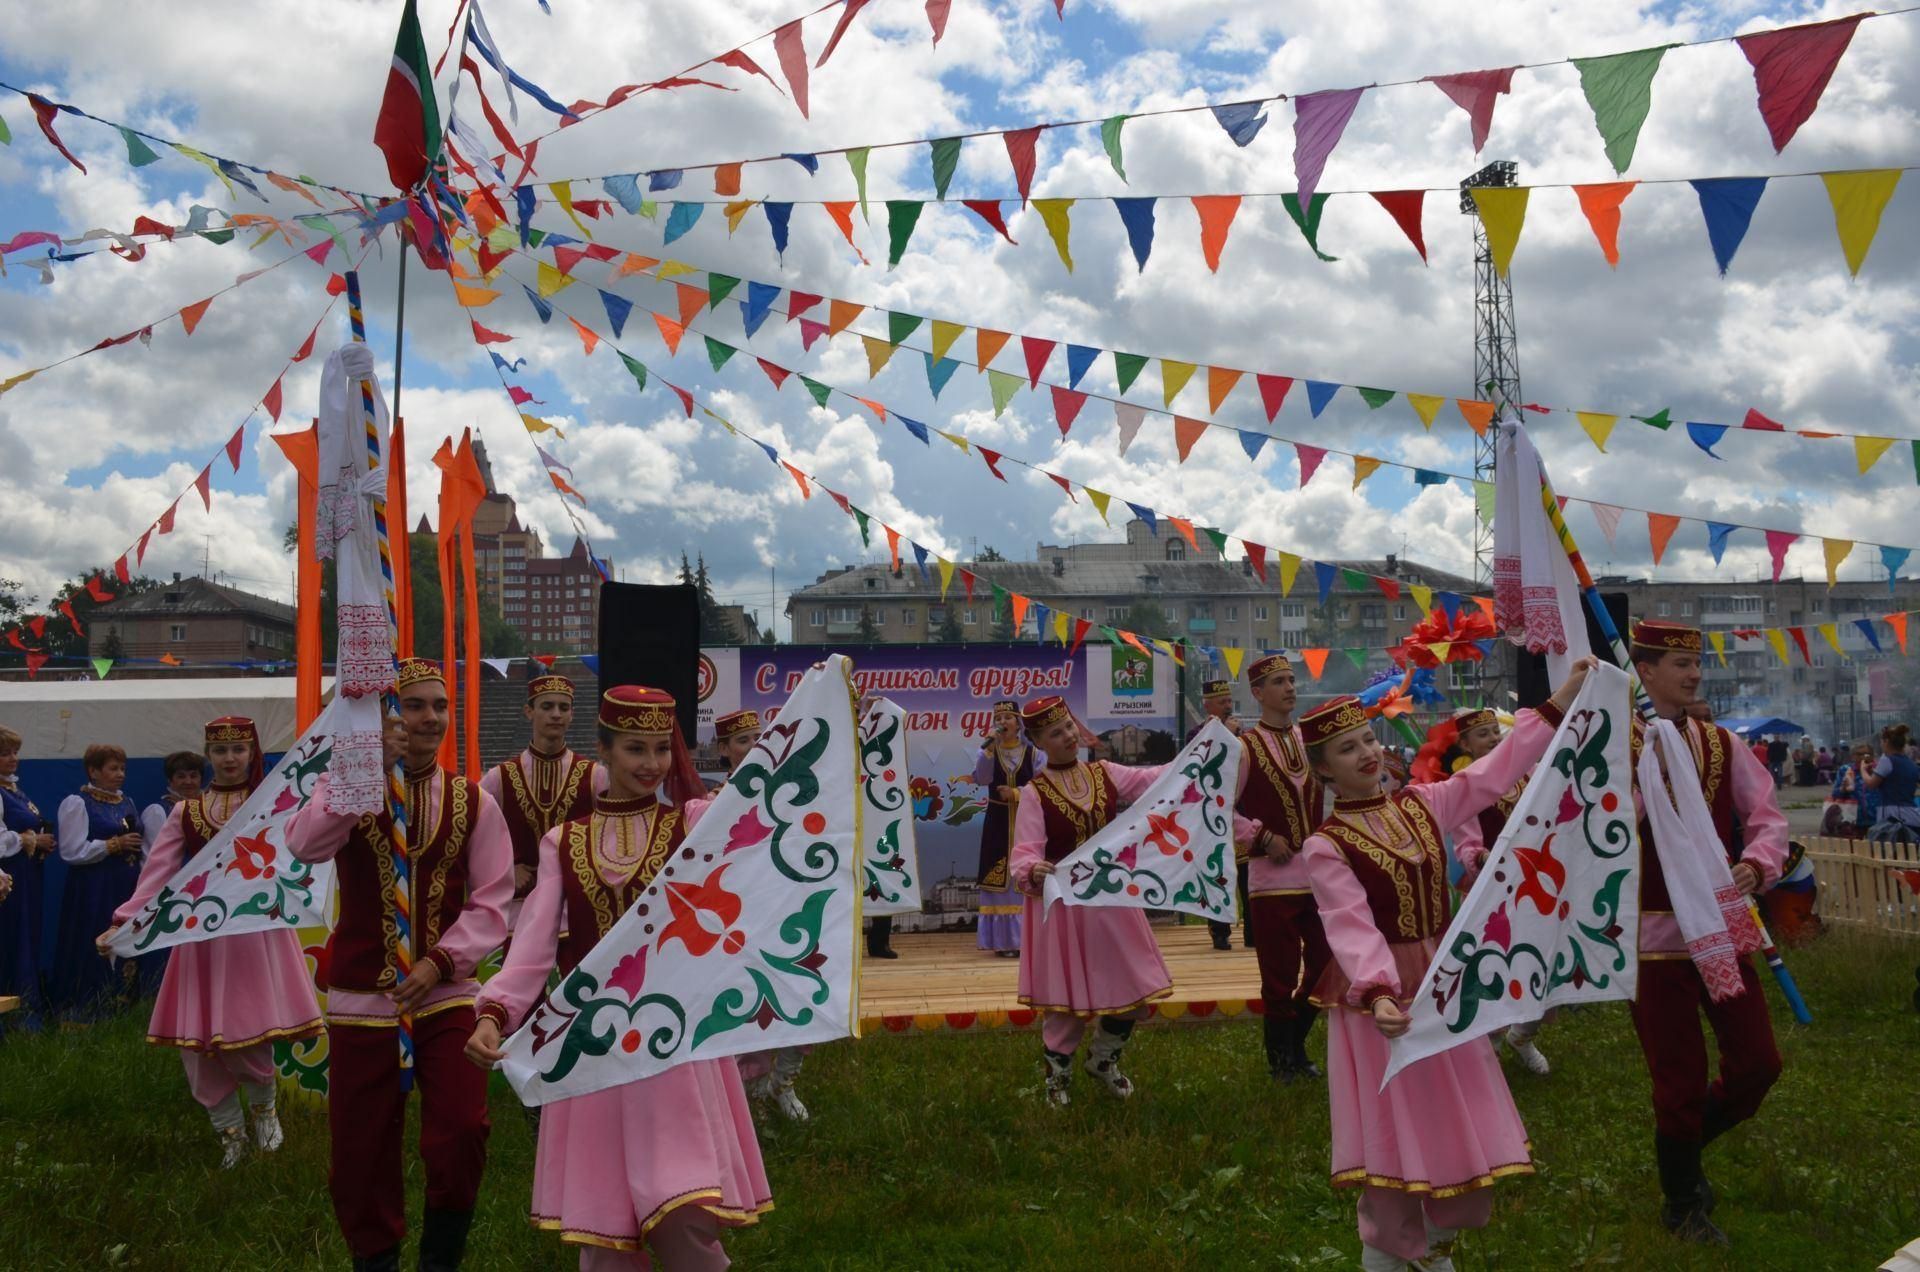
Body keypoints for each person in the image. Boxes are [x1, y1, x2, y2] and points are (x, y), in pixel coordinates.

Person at [1298, 658, 1594, 1272]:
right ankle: (1393, 1251)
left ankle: (1434, 1246)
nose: (1367, 754)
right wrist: (1379, 990)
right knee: (1394, 1127)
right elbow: (1348, 922)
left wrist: (1560, 699)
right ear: (1324, 771)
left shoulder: (1425, 803)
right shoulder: (1326, 844)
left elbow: (1496, 771)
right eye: (1346, 750)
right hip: (1384, 1003)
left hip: (1445, 981)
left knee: (1450, 1120)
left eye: (1368, 741)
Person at [466, 686, 770, 1269]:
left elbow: (767, 819)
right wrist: (493, 1011)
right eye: (635, 748)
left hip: (673, 1047)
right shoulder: (565, 842)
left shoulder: (694, 824)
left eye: (661, 749)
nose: (650, 763)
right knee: (605, 1236)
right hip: (593, 1050)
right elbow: (531, 948)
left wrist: (823, 712)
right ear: (602, 751)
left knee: (683, 1215)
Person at [288, 659, 514, 1272]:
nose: (431, 718)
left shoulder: (473, 800)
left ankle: (440, 1259)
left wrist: (442, 961)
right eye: (415, 706)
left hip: (447, 992)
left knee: (464, 1127)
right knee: (361, 1145)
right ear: (386, 718)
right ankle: (376, 1258)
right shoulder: (349, 791)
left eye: (439, 706)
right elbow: (305, 844)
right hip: (363, 995)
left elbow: (494, 899)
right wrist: (362, 770)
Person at [97, 717, 323, 1167]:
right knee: (196, 1044)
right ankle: (230, 1135)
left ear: (252, 753)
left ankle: (265, 1117)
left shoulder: (272, 805)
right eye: (220, 752)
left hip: (253, 933)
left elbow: (310, 848)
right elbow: (157, 875)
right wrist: (124, 922)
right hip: (200, 937)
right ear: (208, 756)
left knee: (250, 1032)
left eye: (239, 750)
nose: (230, 759)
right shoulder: (188, 812)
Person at [1624, 620, 1788, 1245]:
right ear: (1644, 671)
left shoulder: (1720, 742)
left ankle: (1686, 1150)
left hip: (1722, 927)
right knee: (1679, 1076)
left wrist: (1758, 862)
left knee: (1759, 1062)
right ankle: (1682, 1200)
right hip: (1653, 939)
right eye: (1676, 663)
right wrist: (1645, 770)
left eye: (1694, 664)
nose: (1692, 674)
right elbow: (1599, 825)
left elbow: (1766, 812)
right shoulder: (1621, 743)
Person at [1010, 695, 1256, 1106]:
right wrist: (1033, 869)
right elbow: (1025, 851)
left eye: (1069, 727)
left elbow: (1162, 779)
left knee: (1133, 986)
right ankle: (1057, 1079)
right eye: (1056, 733)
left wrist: (1207, 748)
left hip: (1113, 899)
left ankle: (1103, 1059)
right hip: (1066, 909)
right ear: (1038, 742)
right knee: (1066, 1001)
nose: (1068, 736)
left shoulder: (1103, 773)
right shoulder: (1034, 794)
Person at [705, 707, 811, 1123]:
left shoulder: (789, 796)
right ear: (724, 749)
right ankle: (749, 1092)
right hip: (734, 922)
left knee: (797, 997)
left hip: (782, 914)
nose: (754, 747)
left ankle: (783, 1084)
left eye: (759, 739)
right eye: (743, 740)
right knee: (743, 1005)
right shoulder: (711, 803)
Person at [1231, 654, 1329, 1082]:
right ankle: (1282, 1061)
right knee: (1279, 971)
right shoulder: (1243, 747)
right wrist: (1261, 836)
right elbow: (1216, 807)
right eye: (1279, 682)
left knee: (1327, 962)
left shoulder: (1311, 741)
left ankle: (1296, 1043)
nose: (1290, 687)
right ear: (1257, 693)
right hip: (1271, 881)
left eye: (1292, 680)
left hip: (1319, 875)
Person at [1440, 708, 1551, 1077]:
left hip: (1536, 885)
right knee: (1491, 970)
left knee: (1544, 963)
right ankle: (1484, 1049)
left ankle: (1522, 1035)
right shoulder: (1466, 785)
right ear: (1465, 744)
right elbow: (1465, 845)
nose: (1492, 738)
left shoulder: (1529, 775)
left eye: (1494, 732)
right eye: (1483, 734)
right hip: (1493, 893)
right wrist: (1481, 857)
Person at [479, 673, 600, 932]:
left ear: (572, 715)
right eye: (547, 706)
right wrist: (506, 869)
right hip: (518, 911)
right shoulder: (499, 778)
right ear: (529, 711)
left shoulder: (595, 776)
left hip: (577, 906)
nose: (556, 714)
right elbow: (473, 834)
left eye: (563, 707)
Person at [50, 744, 146, 1019]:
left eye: (122, 769)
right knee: (93, 938)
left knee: (123, 939)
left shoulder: (126, 801)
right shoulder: (77, 803)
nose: (120, 774)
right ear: (93, 771)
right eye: (113, 768)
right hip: (93, 886)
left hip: (123, 884)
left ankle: (121, 1005)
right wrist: (113, 845)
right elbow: (71, 850)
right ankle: (84, 1009)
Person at [973, 700, 1036, 959]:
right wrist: (986, 750)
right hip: (997, 823)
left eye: (1008, 718)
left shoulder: (1033, 753)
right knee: (998, 879)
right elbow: (981, 778)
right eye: (998, 719)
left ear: (1018, 724)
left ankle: (1029, 941)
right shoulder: (989, 752)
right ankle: (1003, 941)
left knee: (1027, 875)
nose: (1002, 723)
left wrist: (1018, 793)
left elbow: (1044, 785)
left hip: (1027, 822)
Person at [0, 725, 54, 1025]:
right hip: (7, 880)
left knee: (26, 938)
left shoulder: (14, 790)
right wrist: (28, 840)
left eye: (15, 753)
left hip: (27, 876)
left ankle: (26, 1013)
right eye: (4, 753)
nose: (12, 759)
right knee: (10, 940)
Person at [1864, 724, 1920, 843]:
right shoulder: (1912, 764)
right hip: (1912, 813)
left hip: (1892, 816)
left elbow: (1871, 784)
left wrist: (1863, 770)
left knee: (1890, 854)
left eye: (1881, 742)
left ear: (1886, 741)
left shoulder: (1887, 760)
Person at [143, 750, 205, 847]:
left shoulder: (210, 808)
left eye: (193, 776)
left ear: (201, 779)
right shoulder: (158, 811)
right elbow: (154, 855)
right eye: (181, 776)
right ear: (170, 781)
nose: (188, 781)